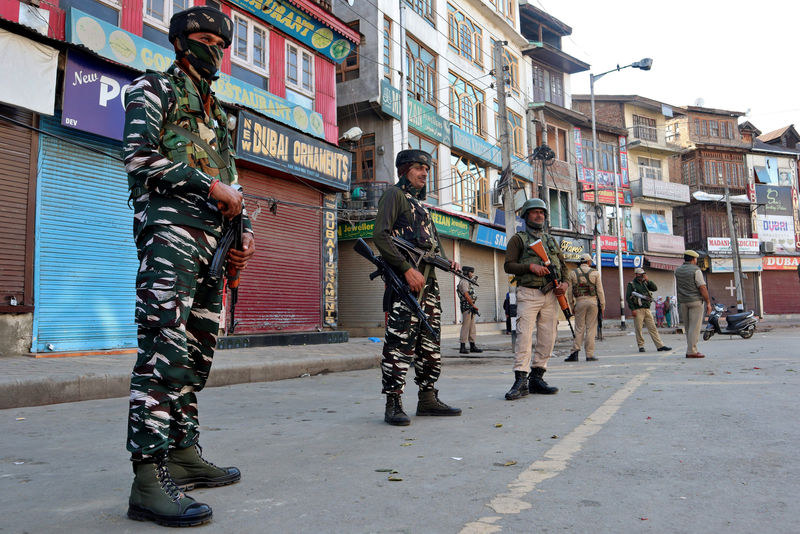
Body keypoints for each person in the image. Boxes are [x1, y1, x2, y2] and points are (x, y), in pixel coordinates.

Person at [122, 6, 256, 527]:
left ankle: (182, 453)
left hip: (213, 248)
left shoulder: (219, 115)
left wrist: (243, 237)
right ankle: (148, 479)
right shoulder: (150, 88)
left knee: (194, 356)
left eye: (220, 43)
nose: (213, 49)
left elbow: (235, 185)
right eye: (202, 38)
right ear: (179, 42)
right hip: (171, 238)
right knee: (162, 352)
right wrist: (209, 187)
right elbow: (139, 157)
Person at [373, 149, 461, 426]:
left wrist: (449, 263)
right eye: (418, 168)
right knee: (400, 344)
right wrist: (406, 269)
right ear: (404, 170)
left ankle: (428, 398)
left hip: (429, 286)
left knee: (430, 344)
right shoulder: (394, 196)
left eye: (427, 169)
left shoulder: (421, 207)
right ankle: (394, 402)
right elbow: (380, 235)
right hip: (406, 286)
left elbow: (433, 247)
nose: (424, 173)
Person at [503, 198, 566, 400]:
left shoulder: (550, 240)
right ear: (526, 216)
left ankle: (537, 377)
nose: (539, 215)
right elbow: (508, 266)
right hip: (529, 293)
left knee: (548, 337)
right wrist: (530, 267)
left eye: (542, 212)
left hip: (551, 295)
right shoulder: (518, 239)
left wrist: (564, 283)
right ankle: (521, 379)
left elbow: (564, 266)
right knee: (524, 336)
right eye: (534, 212)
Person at [566, 253, 605, 362]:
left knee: (579, 328)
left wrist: (572, 305)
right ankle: (589, 354)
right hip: (592, 302)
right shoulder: (595, 273)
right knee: (591, 328)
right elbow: (600, 291)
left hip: (580, 302)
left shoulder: (572, 273)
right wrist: (602, 305)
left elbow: (569, 292)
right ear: (589, 262)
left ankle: (574, 352)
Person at [674, 250, 712, 358]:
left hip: (683, 302)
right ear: (693, 259)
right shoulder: (696, 270)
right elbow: (702, 287)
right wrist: (708, 302)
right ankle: (692, 351)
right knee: (694, 327)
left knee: (688, 327)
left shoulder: (677, 270)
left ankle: (691, 348)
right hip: (695, 301)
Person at [626, 268, 671, 353]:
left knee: (653, 328)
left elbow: (655, 288)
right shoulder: (631, 285)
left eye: (643, 274)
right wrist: (632, 309)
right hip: (638, 309)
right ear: (636, 275)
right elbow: (628, 298)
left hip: (647, 309)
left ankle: (660, 346)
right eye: (640, 274)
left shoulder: (645, 283)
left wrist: (648, 280)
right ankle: (641, 346)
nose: (641, 276)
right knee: (639, 329)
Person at [457, 266, 483, 354]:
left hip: (471, 307)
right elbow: (466, 295)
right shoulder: (464, 282)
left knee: (472, 327)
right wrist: (472, 305)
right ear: (467, 272)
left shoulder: (468, 281)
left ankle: (472, 346)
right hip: (467, 306)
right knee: (466, 326)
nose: (472, 274)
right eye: (471, 272)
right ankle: (462, 346)